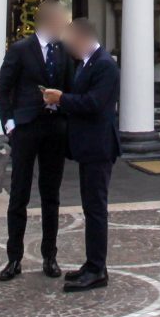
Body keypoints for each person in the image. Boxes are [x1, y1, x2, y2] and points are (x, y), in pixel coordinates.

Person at [0, 1, 72, 281]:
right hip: (26, 129)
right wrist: (10, 122)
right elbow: (1, 89)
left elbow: (70, 86)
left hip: (54, 129)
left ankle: (49, 256)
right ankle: (13, 258)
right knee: (19, 195)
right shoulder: (20, 49)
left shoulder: (64, 51)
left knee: (51, 195)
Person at [41, 18, 119, 292]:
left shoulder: (105, 65)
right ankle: (92, 264)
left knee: (96, 209)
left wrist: (61, 99)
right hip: (88, 147)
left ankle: (97, 269)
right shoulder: (87, 63)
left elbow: (94, 104)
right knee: (90, 207)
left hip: (99, 147)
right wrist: (58, 104)